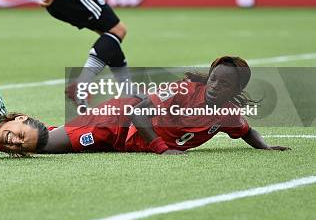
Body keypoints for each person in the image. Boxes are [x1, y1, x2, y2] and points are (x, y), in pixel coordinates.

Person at [41, 56, 290, 155]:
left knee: (57, 138)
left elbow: (246, 131)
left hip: (123, 145)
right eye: (213, 78)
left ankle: (37, 128)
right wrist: (162, 148)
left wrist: (265, 147)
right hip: (116, 121)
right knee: (44, 146)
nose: (214, 86)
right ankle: (3, 132)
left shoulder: (227, 114)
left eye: (224, 84)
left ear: (236, 90)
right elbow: (138, 113)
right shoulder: (183, 90)